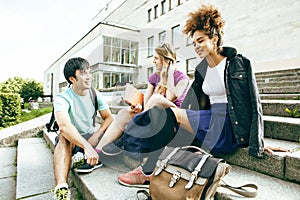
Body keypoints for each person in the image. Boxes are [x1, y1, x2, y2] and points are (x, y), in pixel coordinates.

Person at [117, 4, 290, 188]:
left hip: (228, 126)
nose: (196, 47)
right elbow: (195, 104)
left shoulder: (238, 63)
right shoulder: (203, 69)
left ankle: (144, 169)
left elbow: (255, 104)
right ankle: (135, 152)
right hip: (208, 121)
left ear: (214, 39)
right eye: (194, 43)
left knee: (170, 113)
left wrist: (258, 142)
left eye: (200, 41)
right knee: (164, 114)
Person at [94, 43, 189, 156]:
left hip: (170, 122)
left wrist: (169, 73)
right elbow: (147, 104)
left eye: (156, 58)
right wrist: (138, 106)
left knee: (156, 98)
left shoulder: (182, 78)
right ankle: (98, 151)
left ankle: (124, 140)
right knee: (124, 113)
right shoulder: (154, 77)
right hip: (150, 118)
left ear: (166, 60)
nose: (153, 61)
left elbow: (169, 97)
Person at [53, 57, 113, 200]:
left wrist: (96, 135)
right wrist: (86, 146)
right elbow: (64, 126)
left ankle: (81, 158)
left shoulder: (94, 94)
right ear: (72, 79)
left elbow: (109, 118)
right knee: (63, 137)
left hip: (90, 137)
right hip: (72, 139)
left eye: (89, 72)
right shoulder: (62, 98)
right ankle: (61, 189)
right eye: (83, 73)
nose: (89, 77)